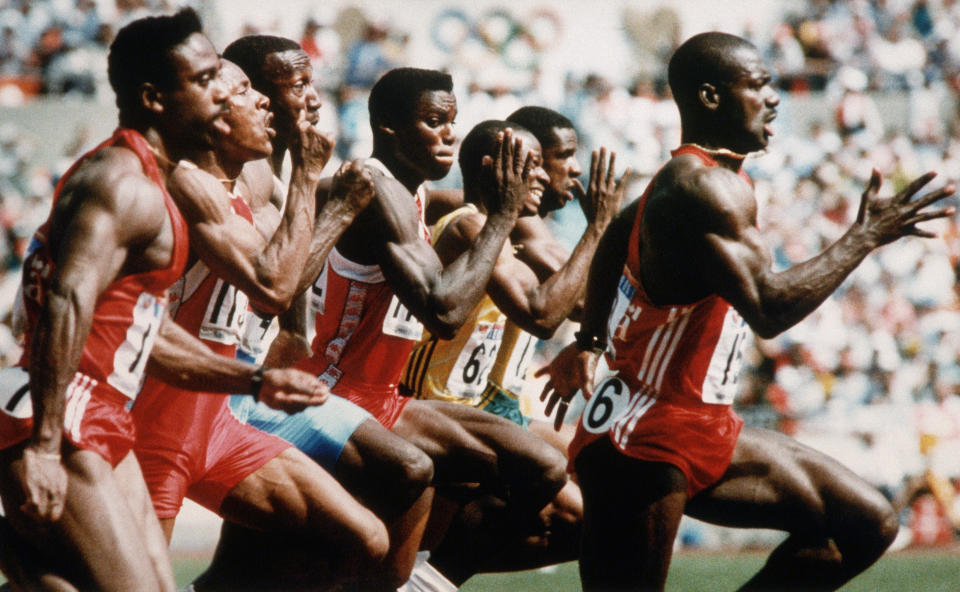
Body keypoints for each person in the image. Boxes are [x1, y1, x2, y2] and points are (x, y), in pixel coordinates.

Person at [538, 31, 955, 591]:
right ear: (711, 97)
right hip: (643, 438)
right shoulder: (704, 188)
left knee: (863, 523)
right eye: (758, 85)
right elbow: (768, 308)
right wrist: (864, 237)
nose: (775, 97)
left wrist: (589, 341)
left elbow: (617, 233)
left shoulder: (685, 181)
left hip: (702, 425)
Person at [0, 9, 323, 592]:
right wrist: (45, 447)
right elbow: (63, 303)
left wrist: (251, 383)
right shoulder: (122, 183)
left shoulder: (158, 181)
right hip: (66, 409)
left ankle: (20, 559)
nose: (222, 98)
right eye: (203, 83)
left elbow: (141, 330)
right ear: (153, 98)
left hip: (102, 411)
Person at [260, 66, 568, 572]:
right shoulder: (374, 190)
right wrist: (502, 216)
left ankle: (431, 579)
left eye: (453, 121)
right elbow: (444, 309)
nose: (449, 134)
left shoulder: (416, 193)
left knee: (543, 467)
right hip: (336, 392)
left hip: (387, 398)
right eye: (432, 121)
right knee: (406, 486)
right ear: (389, 129)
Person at [132, 56, 390, 591]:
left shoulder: (244, 191)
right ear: (216, 118)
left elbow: (288, 287)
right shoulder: (188, 185)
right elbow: (274, 286)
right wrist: (310, 178)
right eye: (249, 92)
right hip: (156, 428)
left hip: (217, 424)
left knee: (364, 539)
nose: (266, 103)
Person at [198, 37, 439, 591]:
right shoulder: (251, 178)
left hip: (250, 386)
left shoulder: (280, 175)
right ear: (250, 94)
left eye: (312, 83)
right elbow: (273, 289)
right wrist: (335, 202)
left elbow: (282, 314)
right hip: (215, 391)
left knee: (402, 482)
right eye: (298, 85)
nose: (313, 98)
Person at [399, 117, 626, 582]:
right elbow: (553, 311)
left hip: (489, 403)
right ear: (502, 166)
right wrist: (600, 226)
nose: (565, 172)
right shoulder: (491, 229)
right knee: (559, 491)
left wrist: (589, 341)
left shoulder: (505, 230)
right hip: (437, 404)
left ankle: (434, 566)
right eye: (547, 161)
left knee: (596, 501)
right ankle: (431, 574)